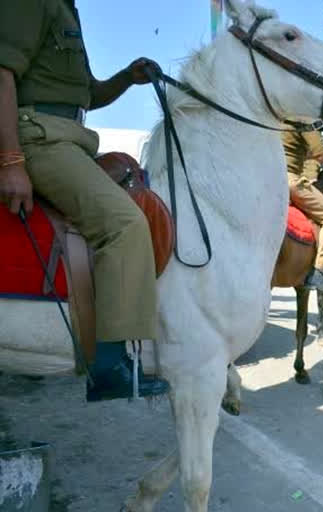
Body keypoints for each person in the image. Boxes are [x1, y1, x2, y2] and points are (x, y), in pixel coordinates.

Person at [0, 1, 169, 401]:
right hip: (39, 136)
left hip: (71, 136)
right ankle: (110, 366)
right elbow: (3, 73)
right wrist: (10, 161)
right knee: (124, 224)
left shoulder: (66, 9)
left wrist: (128, 77)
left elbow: (88, 96)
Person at [282, 130, 323, 295]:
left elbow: (299, 151)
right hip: (288, 180)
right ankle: (320, 273)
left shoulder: (279, 116)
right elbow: (322, 154)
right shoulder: (305, 116)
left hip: (267, 176)